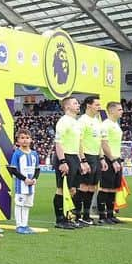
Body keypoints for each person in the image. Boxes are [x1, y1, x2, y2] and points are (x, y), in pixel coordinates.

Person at [53, 96, 83, 228]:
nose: (78, 105)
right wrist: (62, 161)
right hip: (65, 157)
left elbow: (77, 144)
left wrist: (82, 161)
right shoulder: (63, 121)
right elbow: (58, 143)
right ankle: (60, 219)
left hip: (74, 158)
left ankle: (70, 217)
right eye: (75, 103)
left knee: (72, 190)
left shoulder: (75, 122)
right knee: (61, 189)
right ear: (67, 107)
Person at [75, 96, 104, 225]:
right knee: (83, 187)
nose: (99, 107)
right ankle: (77, 215)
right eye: (97, 105)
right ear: (88, 105)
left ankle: (86, 215)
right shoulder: (82, 121)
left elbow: (100, 142)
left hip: (96, 157)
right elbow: (79, 141)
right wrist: (83, 159)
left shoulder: (97, 121)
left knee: (92, 187)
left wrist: (102, 157)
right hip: (86, 156)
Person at [7, 129, 40, 234]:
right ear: (18, 141)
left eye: (27, 138)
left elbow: (37, 169)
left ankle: (25, 224)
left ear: (31, 140)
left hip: (31, 185)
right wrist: (24, 179)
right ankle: (19, 225)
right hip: (21, 185)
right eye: (22, 138)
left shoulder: (34, 154)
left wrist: (34, 178)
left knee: (27, 205)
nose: (25, 140)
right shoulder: (17, 154)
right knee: (19, 204)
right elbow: (13, 169)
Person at [97, 101, 125, 224]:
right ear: (111, 111)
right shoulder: (106, 125)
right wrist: (112, 160)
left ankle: (110, 214)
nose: (122, 111)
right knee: (105, 188)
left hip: (116, 158)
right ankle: (102, 216)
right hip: (109, 159)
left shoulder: (115, 125)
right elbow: (104, 144)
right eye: (119, 109)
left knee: (114, 188)